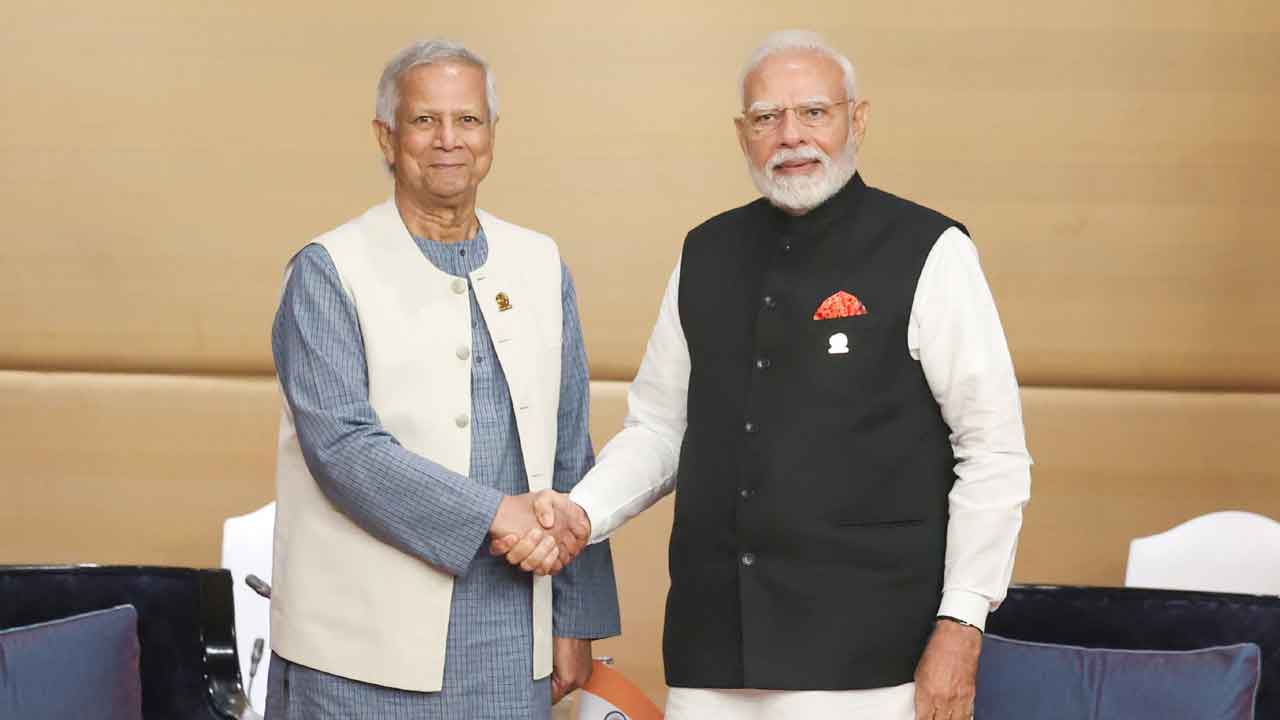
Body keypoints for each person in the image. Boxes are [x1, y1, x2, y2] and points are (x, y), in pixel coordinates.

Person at [496, 29, 1031, 720]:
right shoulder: (705, 252)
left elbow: (992, 451)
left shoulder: (931, 250)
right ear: (741, 134)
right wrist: (582, 513)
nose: (791, 135)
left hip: (874, 663)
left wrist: (963, 622)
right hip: (712, 656)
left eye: (814, 112)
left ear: (857, 120)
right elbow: (659, 429)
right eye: (766, 117)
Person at [266, 38, 620, 720]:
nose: (449, 140)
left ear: (492, 135)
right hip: (357, 651)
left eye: (468, 120)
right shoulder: (327, 268)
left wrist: (577, 619)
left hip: (512, 640)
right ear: (386, 136)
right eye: (425, 120)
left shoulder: (540, 263)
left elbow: (571, 451)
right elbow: (343, 449)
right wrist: (497, 513)